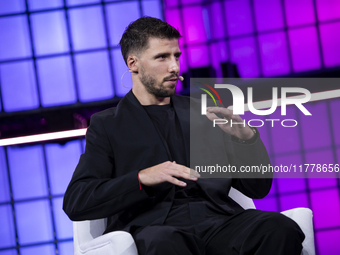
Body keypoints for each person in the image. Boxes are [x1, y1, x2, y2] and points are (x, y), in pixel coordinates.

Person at [63, 17, 304, 254]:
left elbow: (258, 188)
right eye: (162, 57)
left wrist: (245, 139)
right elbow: (77, 201)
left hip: (219, 222)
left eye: (176, 56)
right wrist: (142, 177)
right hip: (156, 226)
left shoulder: (203, 113)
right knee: (163, 242)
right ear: (133, 63)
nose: (175, 67)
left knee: (278, 228)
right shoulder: (108, 125)